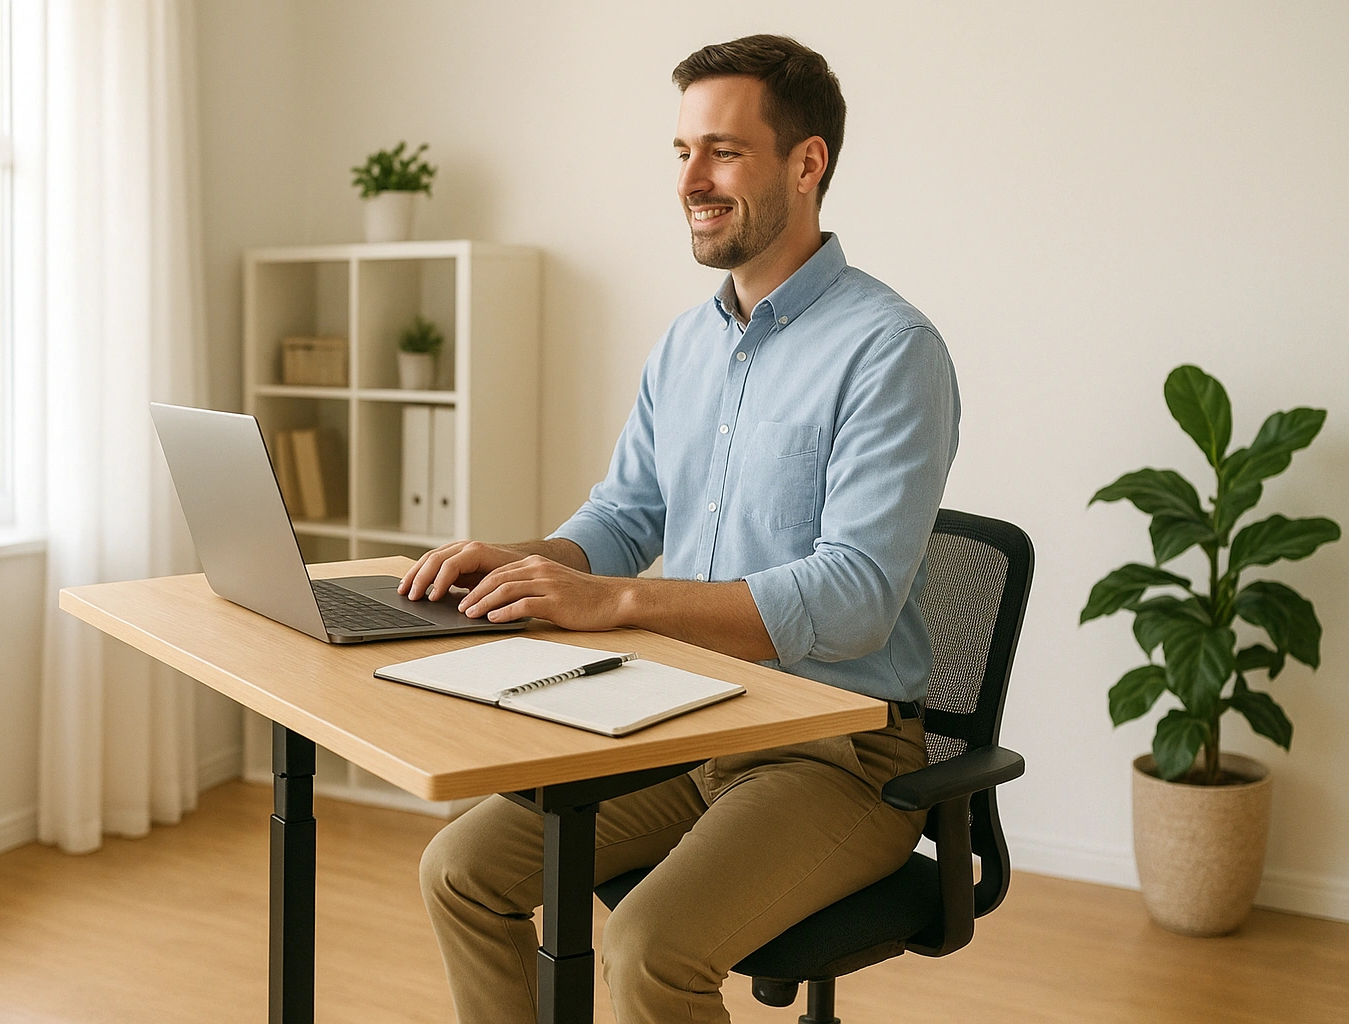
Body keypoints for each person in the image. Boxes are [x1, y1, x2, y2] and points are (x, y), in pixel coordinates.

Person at [400, 33, 960, 1024]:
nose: (691, 180)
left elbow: (857, 598)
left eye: (723, 151)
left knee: (650, 946)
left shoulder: (890, 350)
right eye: (681, 151)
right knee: (460, 871)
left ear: (807, 162)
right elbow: (625, 514)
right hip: (684, 722)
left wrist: (613, 600)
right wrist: (532, 560)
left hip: (836, 756)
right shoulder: (686, 345)